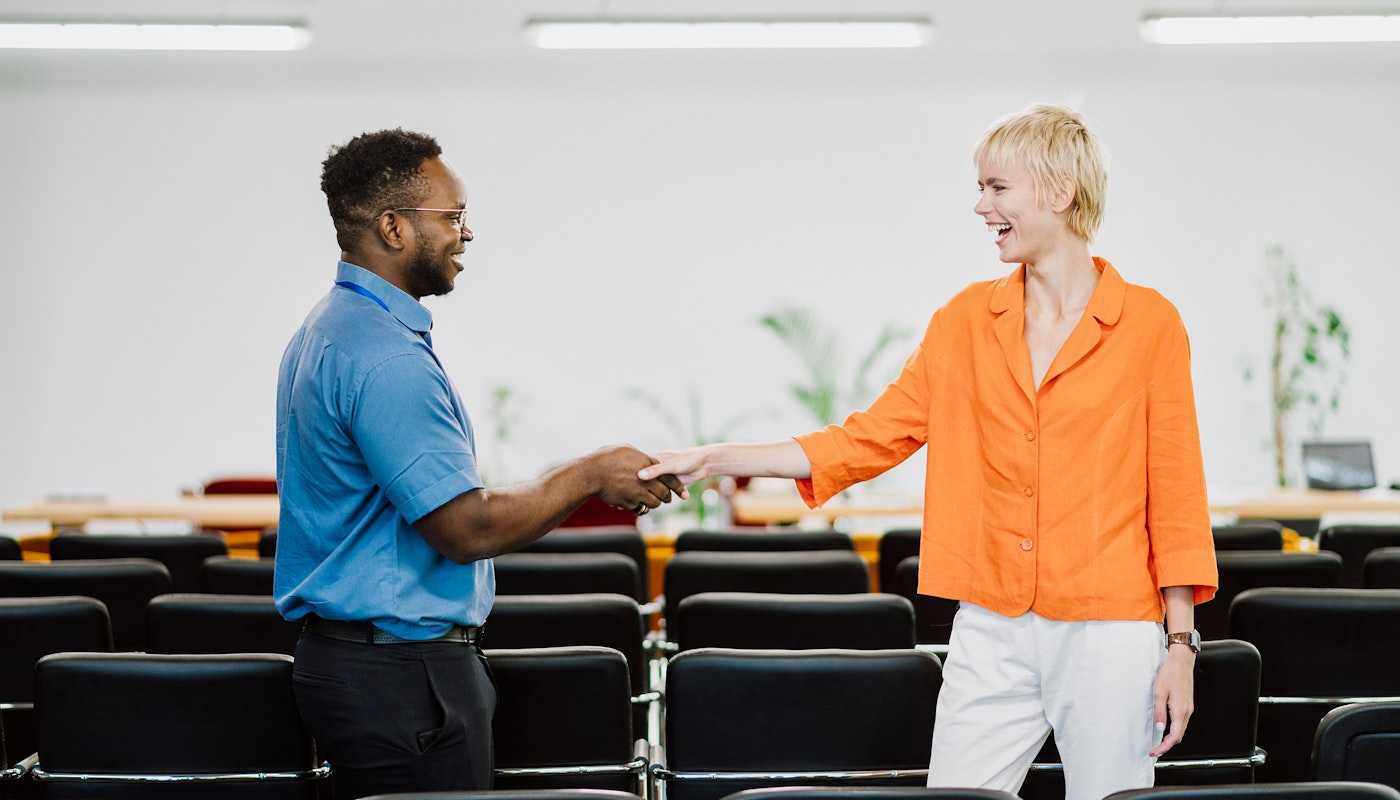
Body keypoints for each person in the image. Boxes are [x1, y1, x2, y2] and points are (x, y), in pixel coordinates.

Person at [639, 105, 1218, 800]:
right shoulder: (965, 322)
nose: (981, 206)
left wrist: (1179, 648)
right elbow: (867, 438)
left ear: (1059, 191)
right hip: (992, 625)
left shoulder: (1150, 324)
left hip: (1111, 631)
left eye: (997, 188)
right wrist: (720, 458)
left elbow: (1176, 492)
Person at [274, 127, 683, 799]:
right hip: (401, 676)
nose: (466, 235)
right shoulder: (385, 357)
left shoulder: (331, 330)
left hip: (367, 664)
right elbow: (466, 528)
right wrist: (591, 475)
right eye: (453, 216)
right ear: (393, 227)